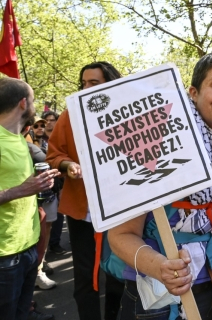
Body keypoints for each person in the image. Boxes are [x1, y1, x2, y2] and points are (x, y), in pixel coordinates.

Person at [108, 53, 212, 320]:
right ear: (193, 92)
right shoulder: (152, 147)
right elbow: (120, 235)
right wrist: (161, 267)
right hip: (160, 297)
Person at [46, 62, 124, 320]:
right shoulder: (70, 115)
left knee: (118, 275)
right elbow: (54, 154)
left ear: (110, 84)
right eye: (84, 83)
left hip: (122, 211)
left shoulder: (127, 112)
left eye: (94, 83)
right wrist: (68, 165)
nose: (87, 88)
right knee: (85, 277)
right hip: (82, 211)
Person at [0, 77, 60, 320]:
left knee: (22, 313)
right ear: (23, 103)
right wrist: (19, 190)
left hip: (27, 248)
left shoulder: (18, 140)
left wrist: (40, 182)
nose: (36, 107)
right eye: (34, 100)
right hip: (4, 256)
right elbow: (17, 189)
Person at [42, 111, 67, 256]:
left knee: (56, 218)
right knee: (44, 222)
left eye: (52, 120)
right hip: (43, 188)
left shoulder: (59, 137)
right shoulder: (37, 139)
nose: (49, 123)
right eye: (46, 121)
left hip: (58, 184)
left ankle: (55, 244)